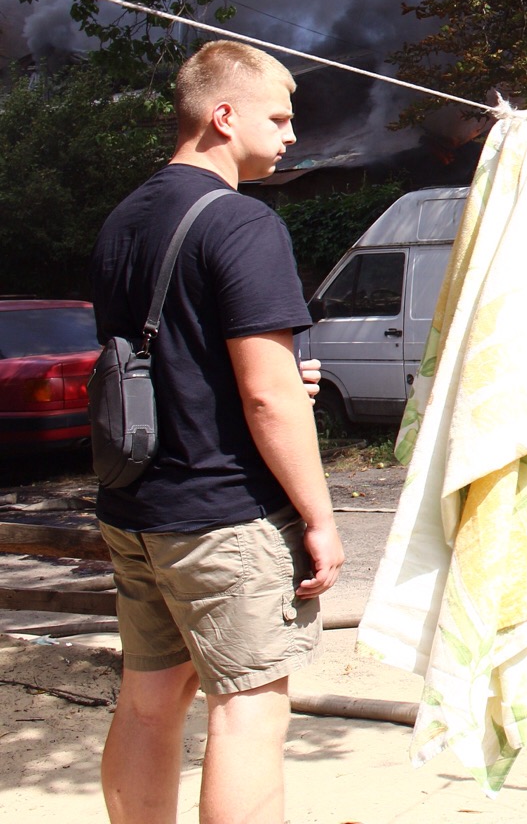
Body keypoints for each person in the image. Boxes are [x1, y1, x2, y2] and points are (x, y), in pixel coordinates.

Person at [90, 40, 344, 824]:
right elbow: (269, 398)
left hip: (135, 509)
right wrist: (321, 517)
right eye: (280, 116)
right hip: (223, 518)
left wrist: (272, 378)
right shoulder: (243, 224)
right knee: (249, 714)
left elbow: (172, 360)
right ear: (222, 115)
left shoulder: (122, 219)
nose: (292, 134)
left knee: (147, 703)